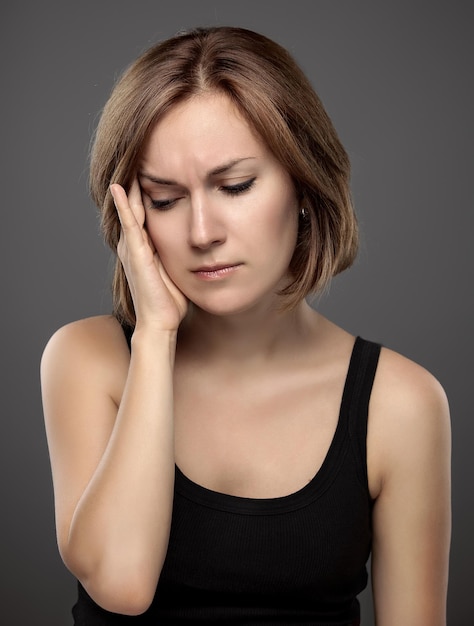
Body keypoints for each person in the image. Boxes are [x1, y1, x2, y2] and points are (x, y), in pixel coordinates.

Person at [40, 26, 451, 625]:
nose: (203, 232)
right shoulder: (88, 359)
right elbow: (121, 584)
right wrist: (155, 337)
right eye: (164, 199)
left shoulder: (401, 403)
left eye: (235, 186)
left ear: (303, 185)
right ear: (131, 212)